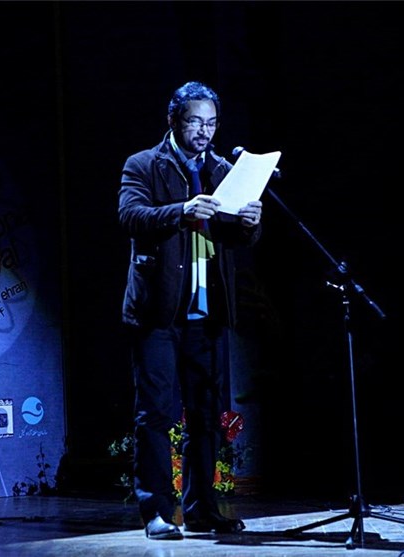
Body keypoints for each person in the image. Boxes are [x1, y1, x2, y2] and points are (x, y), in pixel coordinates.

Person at [118, 81, 263, 540]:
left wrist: (250, 224)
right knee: (155, 415)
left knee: (206, 415)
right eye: (195, 121)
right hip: (159, 313)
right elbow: (130, 216)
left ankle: (202, 508)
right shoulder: (144, 164)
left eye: (211, 123)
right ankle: (156, 512)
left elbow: (235, 236)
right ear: (173, 120)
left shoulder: (222, 169)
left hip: (209, 311)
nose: (204, 131)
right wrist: (182, 210)